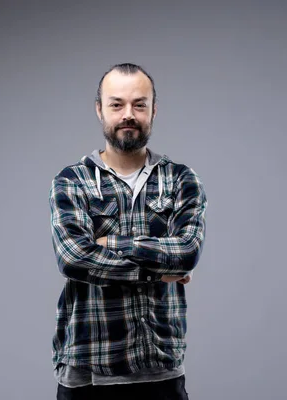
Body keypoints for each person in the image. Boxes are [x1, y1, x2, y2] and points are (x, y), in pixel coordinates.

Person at [49, 63, 207, 400]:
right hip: (87, 369)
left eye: (139, 104)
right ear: (99, 110)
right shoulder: (72, 180)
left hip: (160, 368)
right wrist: (155, 272)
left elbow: (186, 253)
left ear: (153, 110)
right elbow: (74, 258)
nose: (128, 114)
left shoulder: (181, 179)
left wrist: (113, 243)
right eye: (116, 104)